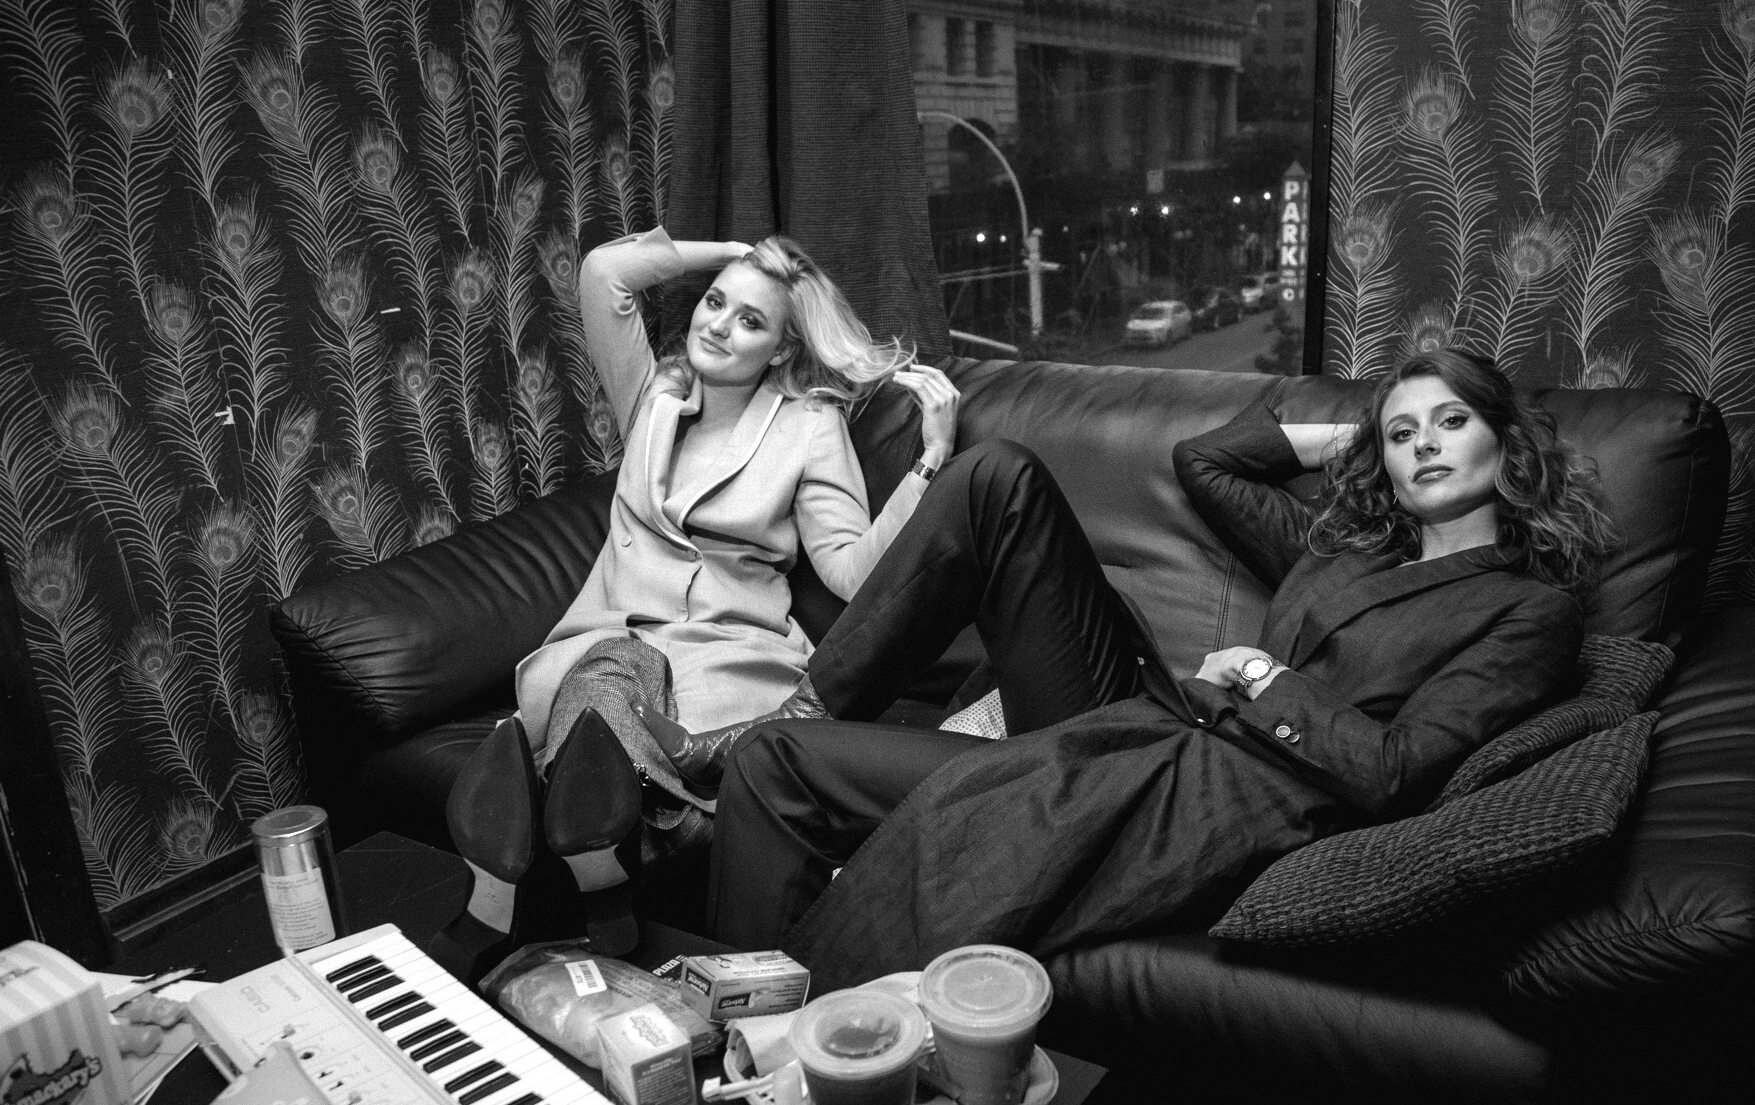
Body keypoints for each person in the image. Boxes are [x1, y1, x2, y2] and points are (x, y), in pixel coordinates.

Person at [693, 348, 1618, 991]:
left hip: (1199, 782)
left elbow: (1397, 769)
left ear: (1506, 443)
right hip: (1137, 720)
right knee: (776, 755)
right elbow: (1209, 462)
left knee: (825, 780)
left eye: (1452, 422)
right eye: (1405, 432)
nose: (1425, 444)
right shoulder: (1345, 549)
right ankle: (735, 1014)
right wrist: (1362, 439)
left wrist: (1261, 676)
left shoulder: (1526, 611)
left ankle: (785, 1050)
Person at [431, 226, 961, 977]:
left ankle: (503, 895)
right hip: (612, 637)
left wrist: (930, 460)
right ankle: (616, 865)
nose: (718, 325)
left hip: (722, 660)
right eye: (715, 303)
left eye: (751, 320)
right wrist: (736, 253)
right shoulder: (654, 395)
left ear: (779, 349)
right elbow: (605, 273)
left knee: (592, 717)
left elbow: (851, 573)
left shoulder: (808, 426)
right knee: (609, 673)